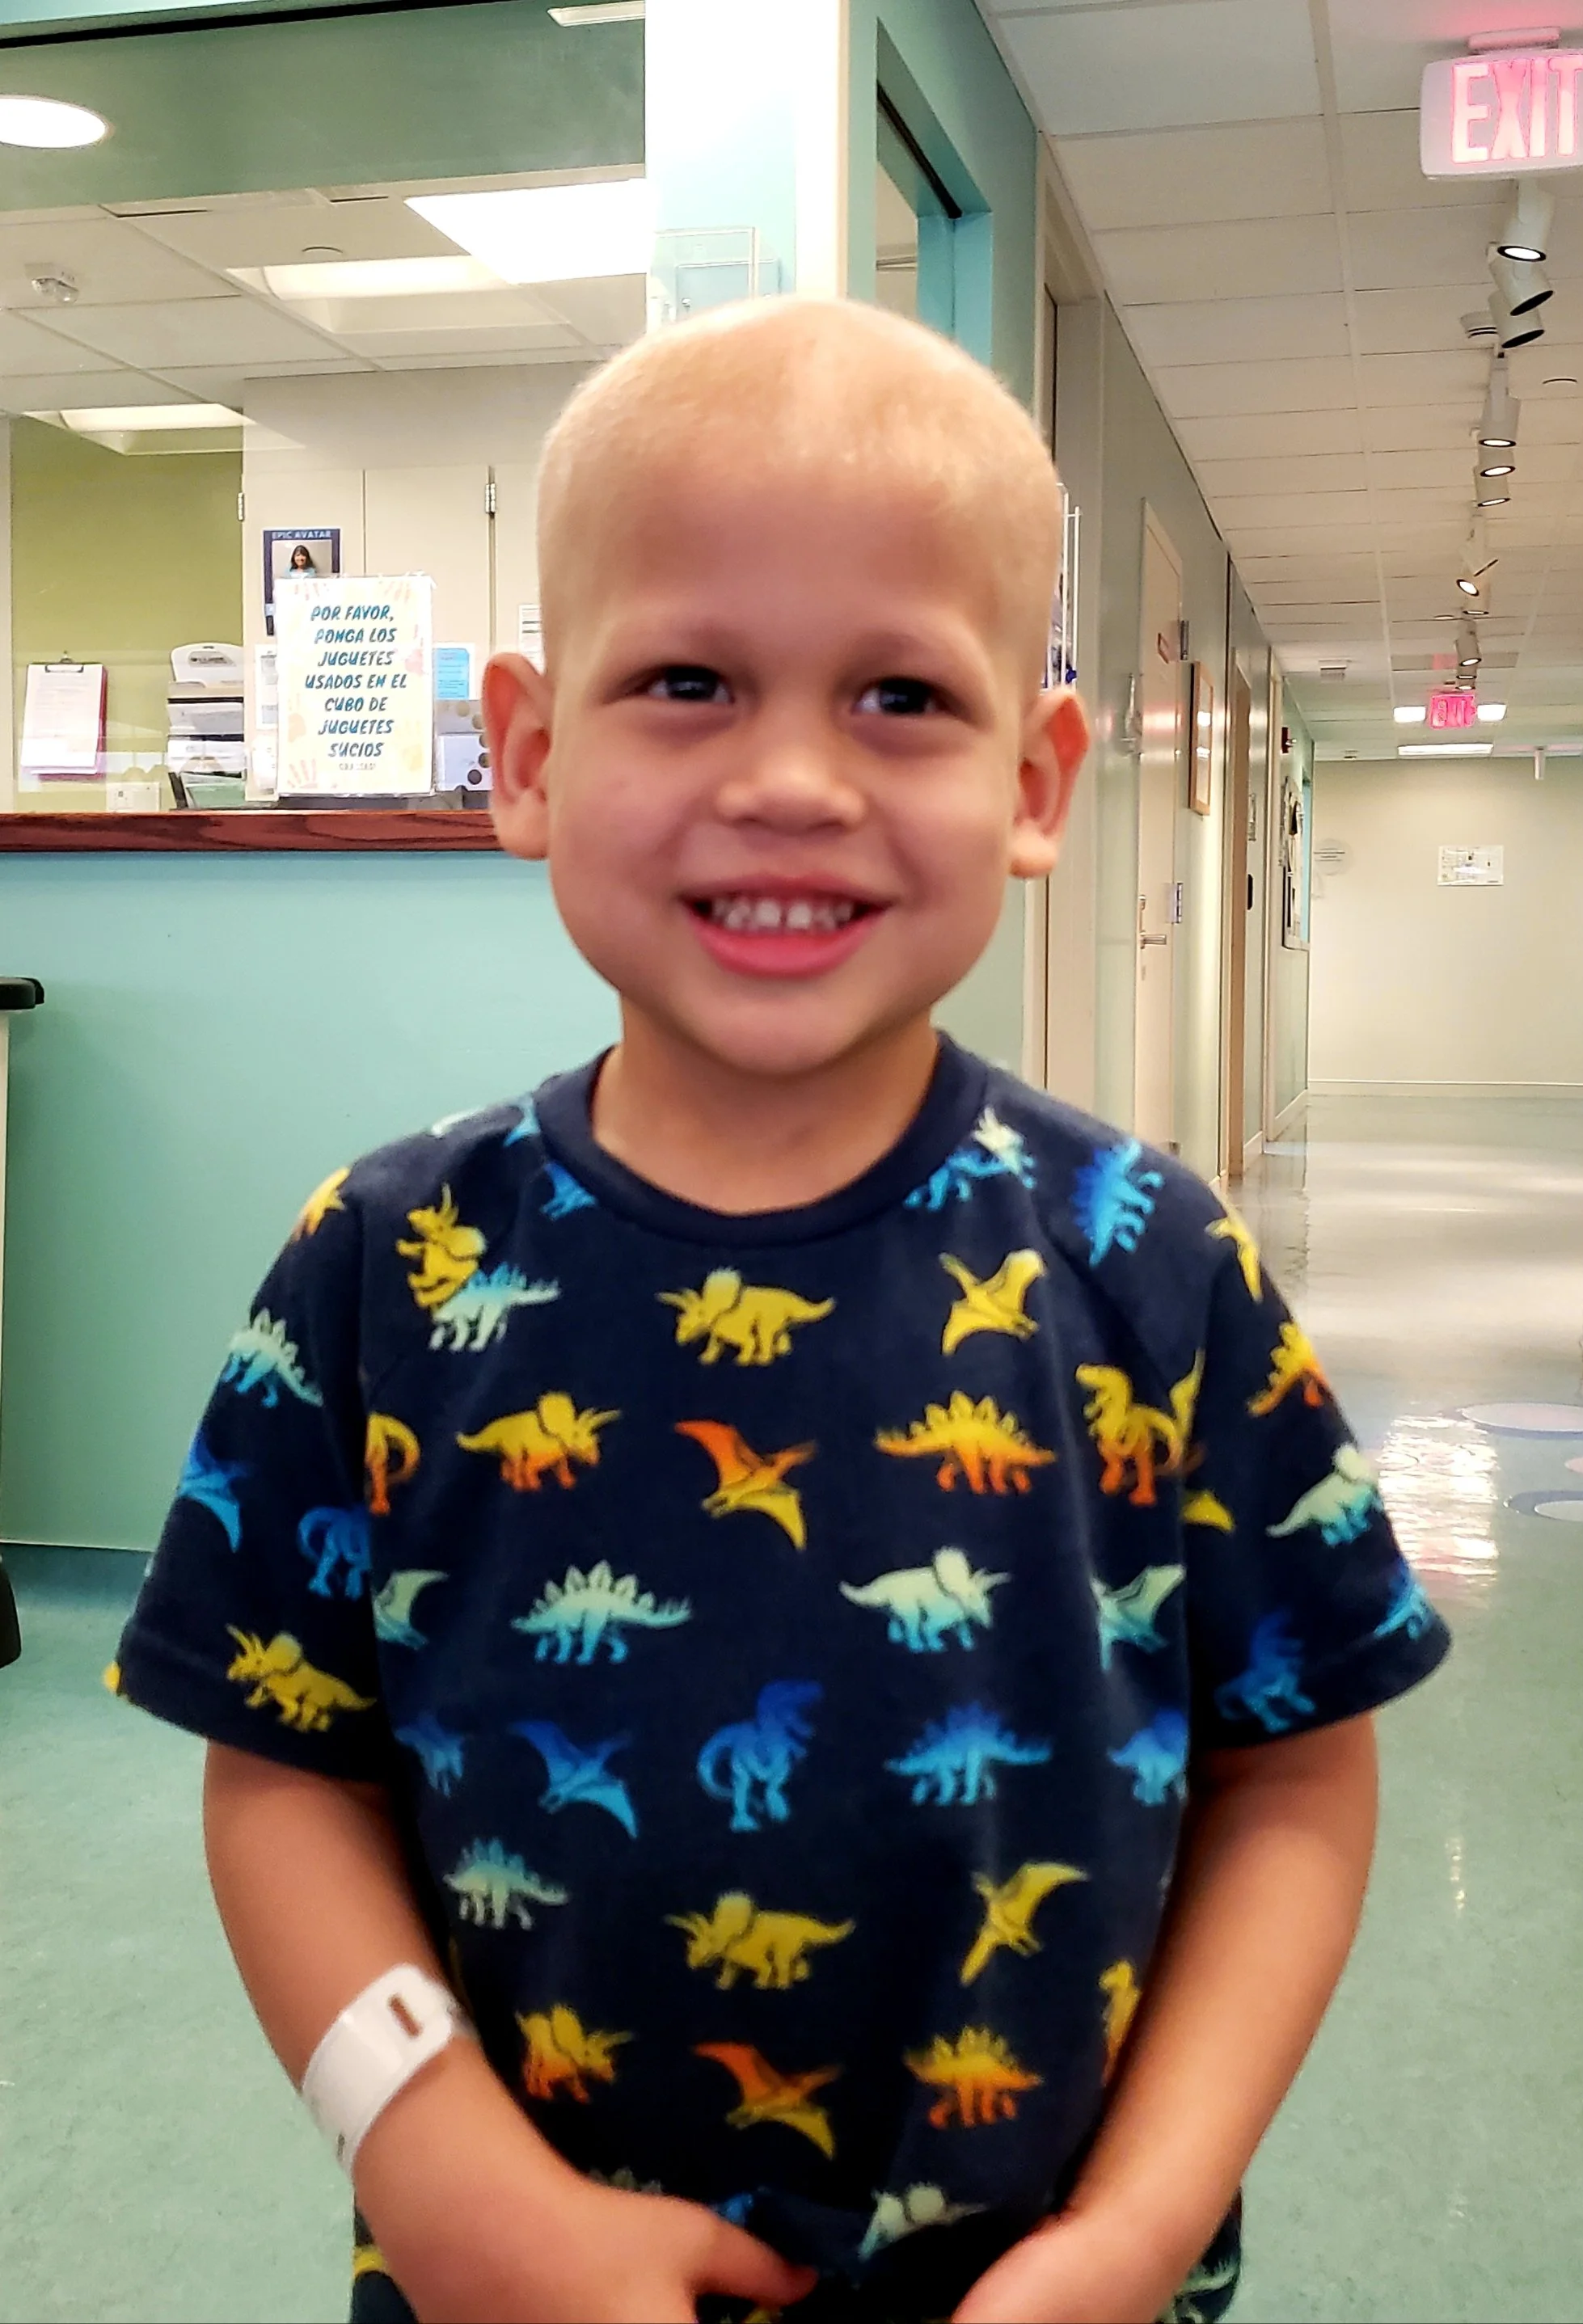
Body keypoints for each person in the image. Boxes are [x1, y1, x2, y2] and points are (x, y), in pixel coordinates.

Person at [110, 300, 1448, 2324]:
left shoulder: (1157, 1266)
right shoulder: (381, 1266)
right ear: (530, 757)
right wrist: (437, 2171)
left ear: (1035, 779)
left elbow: (1296, 1780)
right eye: (689, 682)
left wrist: (1136, 2235)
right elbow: (284, 1767)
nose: (794, 781)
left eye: (901, 695)